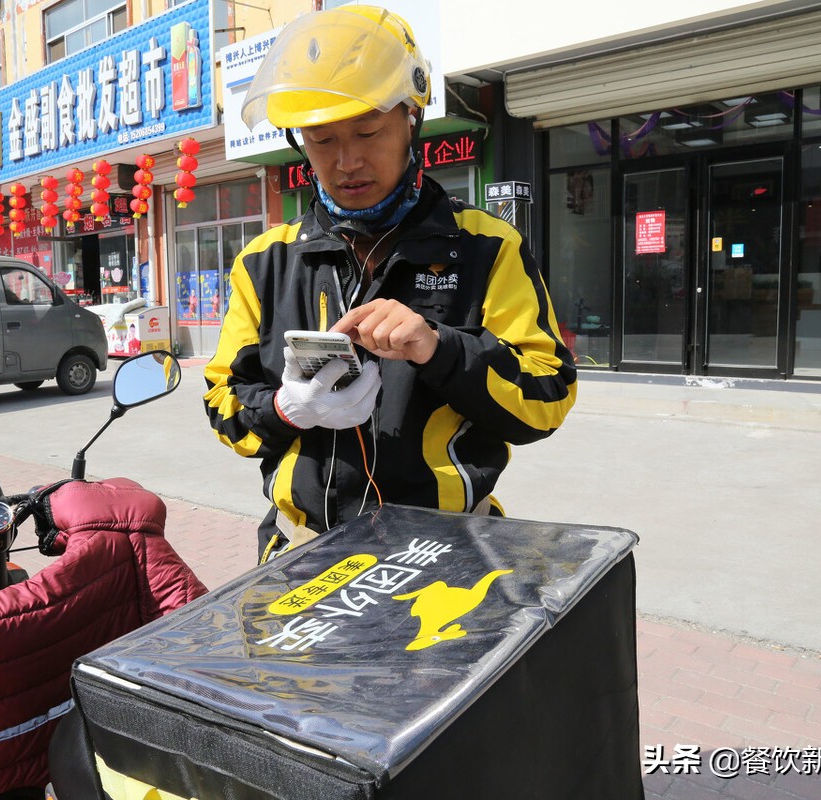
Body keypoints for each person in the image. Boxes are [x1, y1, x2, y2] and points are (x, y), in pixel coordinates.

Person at [203, 5, 576, 563]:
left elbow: (545, 399)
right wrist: (287, 409)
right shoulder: (265, 262)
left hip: (450, 553)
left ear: (412, 117)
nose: (347, 160)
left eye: (368, 130)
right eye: (321, 139)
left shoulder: (486, 247)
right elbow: (224, 406)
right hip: (302, 553)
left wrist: (439, 348)